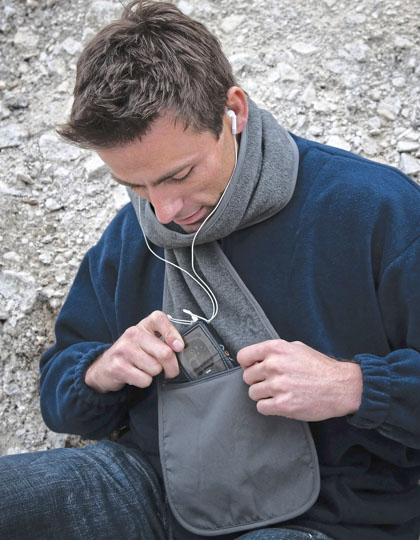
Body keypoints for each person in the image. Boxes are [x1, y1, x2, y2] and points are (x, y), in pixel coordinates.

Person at [1, 1, 420, 539]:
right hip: (154, 486)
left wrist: (356, 385)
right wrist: (101, 369)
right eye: (135, 185)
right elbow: (61, 392)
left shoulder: (374, 210)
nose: (163, 212)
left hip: (331, 513)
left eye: (179, 175)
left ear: (233, 111)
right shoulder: (131, 234)